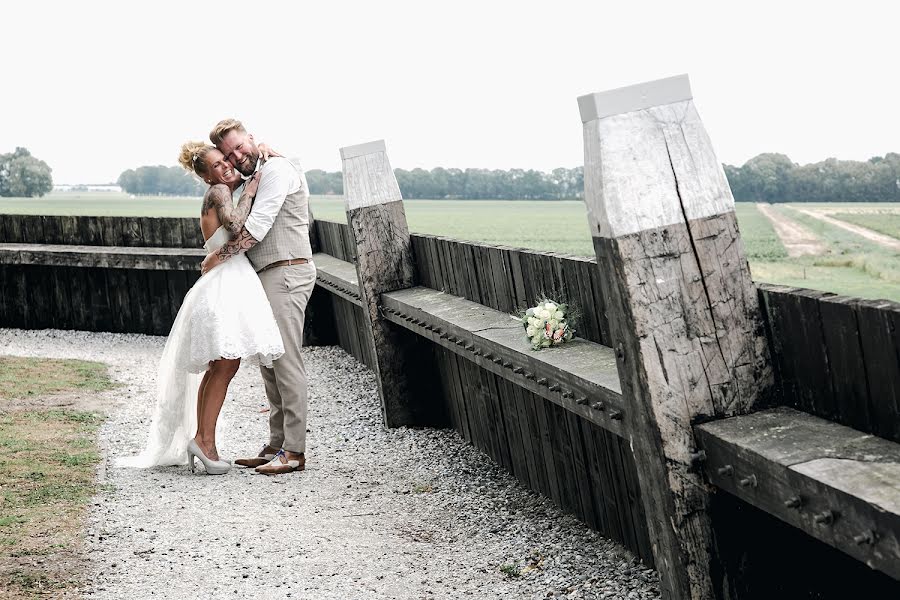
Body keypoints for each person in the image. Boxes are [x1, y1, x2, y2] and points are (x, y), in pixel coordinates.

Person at [118, 142, 285, 475]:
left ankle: (202, 440)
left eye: (225, 161)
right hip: (225, 284)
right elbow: (237, 228)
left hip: (227, 279)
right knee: (224, 366)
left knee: (220, 367)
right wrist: (251, 190)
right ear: (207, 177)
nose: (225, 167)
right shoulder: (220, 192)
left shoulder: (220, 191)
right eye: (216, 166)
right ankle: (204, 442)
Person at [201, 118, 316, 476]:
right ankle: (276, 444)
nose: (236, 156)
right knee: (268, 362)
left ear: (252, 138)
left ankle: (294, 451)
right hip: (265, 276)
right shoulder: (256, 175)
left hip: (286, 271)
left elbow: (255, 230)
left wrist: (214, 259)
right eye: (230, 154)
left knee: (285, 360)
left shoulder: (278, 170)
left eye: (240, 146)